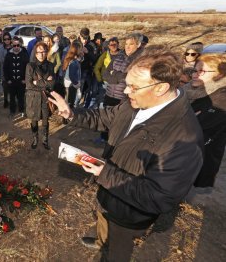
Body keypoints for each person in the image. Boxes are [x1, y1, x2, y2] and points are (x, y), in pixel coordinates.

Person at [49, 47, 204, 262]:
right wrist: (72, 113)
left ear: (161, 88)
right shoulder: (137, 102)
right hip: (109, 192)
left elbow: (158, 197)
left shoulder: (185, 139)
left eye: (133, 86)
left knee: (117, 251)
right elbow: (106, 117)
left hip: (129, 212)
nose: (126, 91)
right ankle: (102, 241)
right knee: (103, 218)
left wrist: (106, 174)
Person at [183, 53, 226, 193]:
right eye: (195, 70)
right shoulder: (189, 89)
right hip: (183, 153)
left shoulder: (220, 100)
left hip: (197, 158)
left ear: (220, 75)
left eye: (202, 71)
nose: (195, 75)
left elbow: (191, 128)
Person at [25, 42, 55, 150]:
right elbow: (28, 85)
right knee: (34, 120)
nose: (41, 54)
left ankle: (45, 140)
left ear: (47, 53)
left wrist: (37, 82)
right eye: (39, 52)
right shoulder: (30, 66)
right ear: (35, 54)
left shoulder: (51, 65)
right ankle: (35, 139)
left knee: (46, 120)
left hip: (46, 98)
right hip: (33, 98)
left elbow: (52, 85)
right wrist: (45, 83)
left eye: (43, 52)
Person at [4, 36, 29, 118]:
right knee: (12, 97)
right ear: (12, 45)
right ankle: (12, 111)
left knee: (21, 97)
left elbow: (28, 68)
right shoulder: (8, 55)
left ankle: (21, 110)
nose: (16, 47)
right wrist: (7, 79)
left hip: (21, 81)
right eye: (14, 45)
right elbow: (5, 68)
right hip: (11, 81)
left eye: (18, 45)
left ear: (20, 45)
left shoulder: (24, 54)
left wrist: (25, 79)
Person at [62, 41, 83, 109]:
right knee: (70, 101)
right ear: (76, 50)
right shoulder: (73, 62)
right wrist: (76, 84)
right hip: (71, 83)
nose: (81, 50)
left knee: (68, 100)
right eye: (80, 49)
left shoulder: (70, 58)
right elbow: (71, 75)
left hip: (68, 82)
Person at [0, 32, 12, 108]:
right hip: (4, 70)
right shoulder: (1, 47)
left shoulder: (13, 46)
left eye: (8, 39)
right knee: (5, 86)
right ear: (3, 40)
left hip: (13, 70)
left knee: (12, 87)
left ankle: (12, 101)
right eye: (5, 39)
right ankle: (5, 100)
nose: (7, 40)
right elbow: (1, 59)